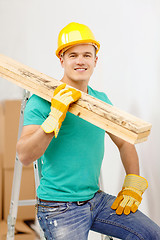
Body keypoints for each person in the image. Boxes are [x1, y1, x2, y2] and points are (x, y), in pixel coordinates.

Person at [17, 22, 160, 240]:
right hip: (59, 207)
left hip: (96, 199)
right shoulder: (42, 101)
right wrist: (53, 118)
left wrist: (133, 180)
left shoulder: (101, 101)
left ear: (95, 60)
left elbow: (124, 142)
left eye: (86, 54)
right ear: (61, 60)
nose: (80, 61)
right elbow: (24, 155)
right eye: (73, 55)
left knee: (152, 235)